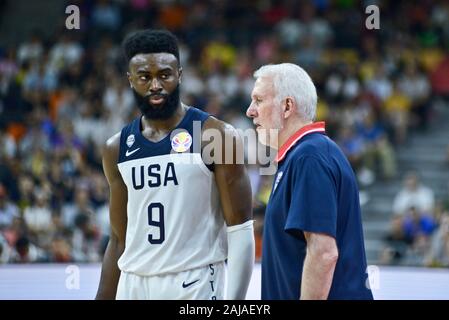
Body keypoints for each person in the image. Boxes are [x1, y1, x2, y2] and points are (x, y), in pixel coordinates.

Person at [96, 29, 254, 300]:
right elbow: (119, 238)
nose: (155, 85)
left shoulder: (215, 136)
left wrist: (235, 303)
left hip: (194, 281)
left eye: (164, 75)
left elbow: (240, 230)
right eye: (145, 77)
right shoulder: (116, 147)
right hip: (134, 283)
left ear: (179, 74)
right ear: (130, 80)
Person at [246, 63, 373, 300]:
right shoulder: (302, 155)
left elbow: (324, 253)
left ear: (286, 106)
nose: (250, 111)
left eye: (259, 100)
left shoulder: (309, 156)